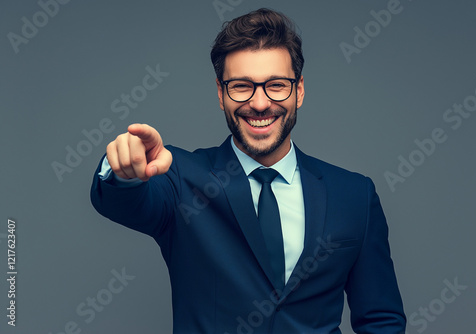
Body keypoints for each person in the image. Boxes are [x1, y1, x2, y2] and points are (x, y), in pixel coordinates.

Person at [91, 8, 406, 334]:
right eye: (242, 86)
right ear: (220, 93)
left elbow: (381, 319)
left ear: (298, 91)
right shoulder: (180, 178)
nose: (259, 103)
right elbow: (123, 203)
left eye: (276, 85)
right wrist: (126, 171)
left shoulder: (353, 194)